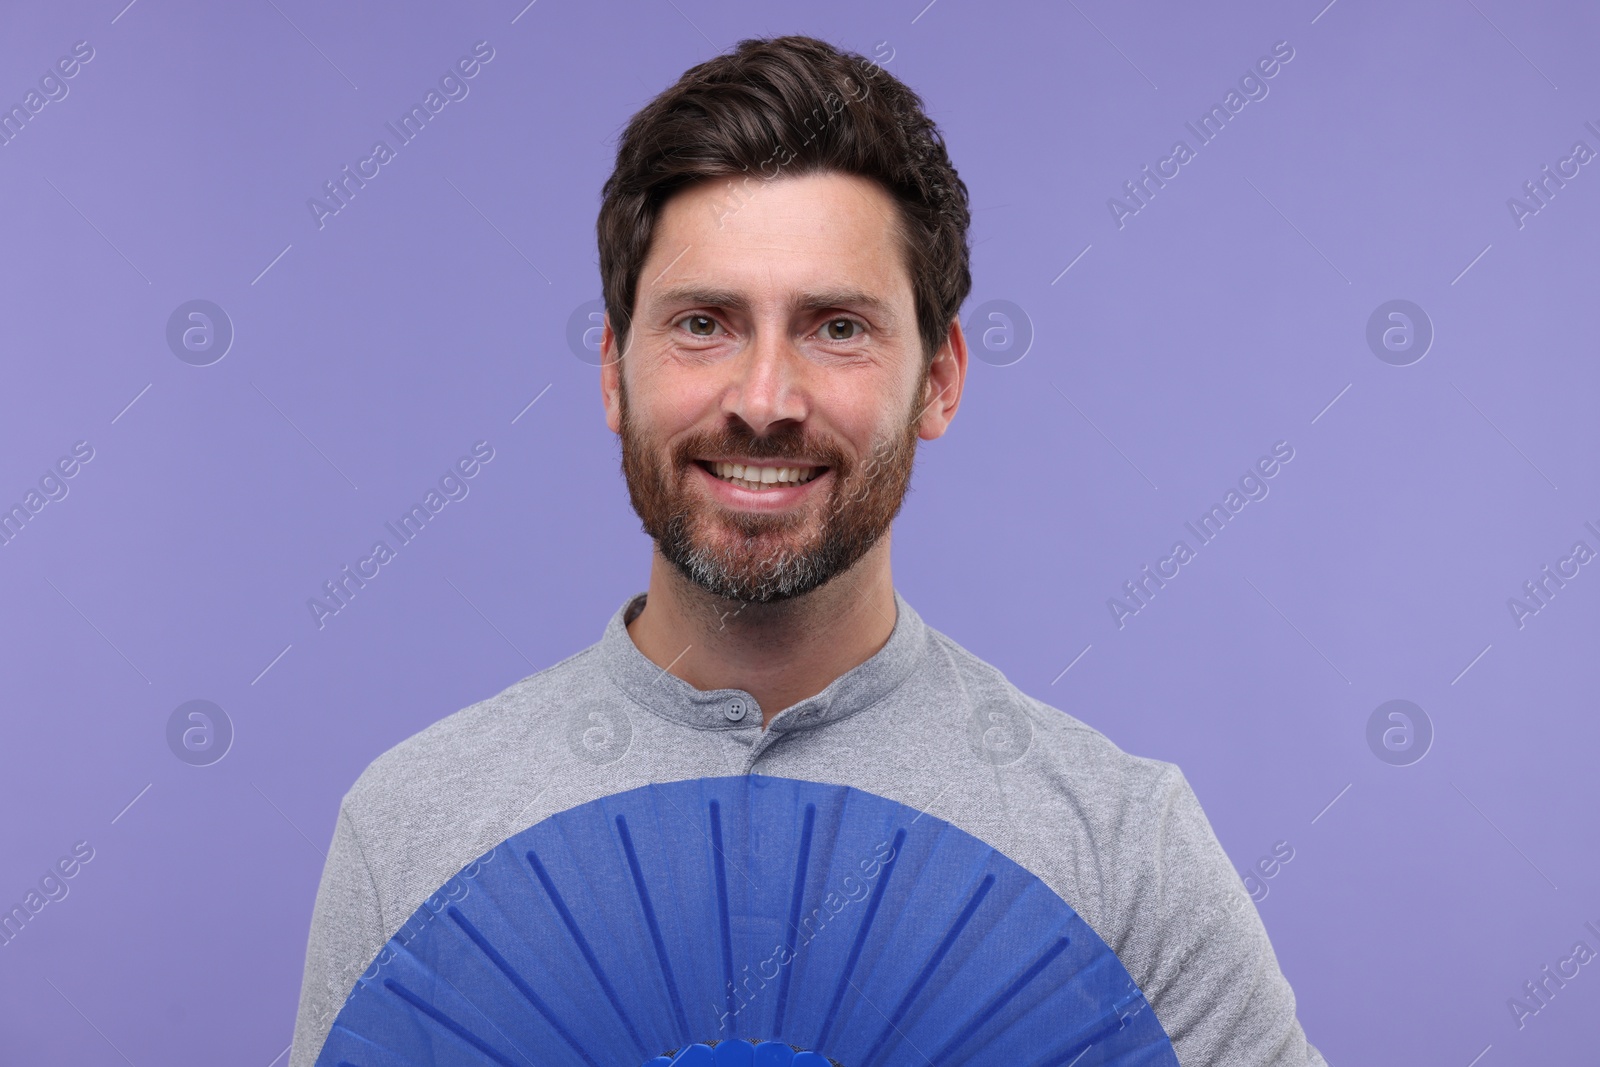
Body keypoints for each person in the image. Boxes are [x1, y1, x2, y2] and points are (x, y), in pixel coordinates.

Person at [290, 34, 1327, 1066]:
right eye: (704, 322)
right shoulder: (418, 824)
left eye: (836, 327)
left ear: (939, 378)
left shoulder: (1119, 846)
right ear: (613, 369)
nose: (763, 400)